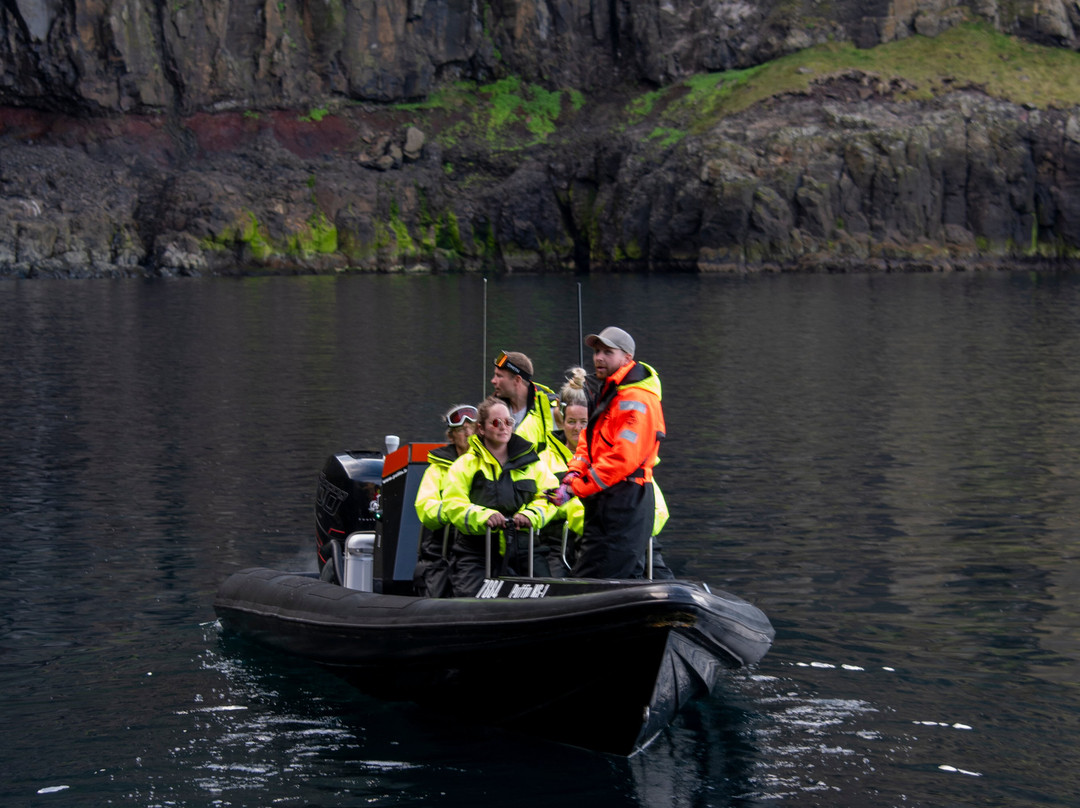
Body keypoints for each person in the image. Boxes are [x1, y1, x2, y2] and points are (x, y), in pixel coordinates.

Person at [548, 327, 666, 579]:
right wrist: (572, 475)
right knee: (602, 572)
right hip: (605, 500)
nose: (598, 357)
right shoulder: (609, 393)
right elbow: (588, 445)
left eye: (607, 352)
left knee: (598, 575)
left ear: (626, 358)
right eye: (596, 351)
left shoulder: (637, 398)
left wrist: (575, 488)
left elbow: (623, 458)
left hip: (625, 499)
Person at [442, 396, 558, 596]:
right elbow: (453, 504)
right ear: (481, 428)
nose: (504, 427)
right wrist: (483, 516)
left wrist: (531, 514)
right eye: (496, 423)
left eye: (509, 422)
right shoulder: (464, 465)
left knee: (548, 600)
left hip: (524, 549)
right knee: (470, 603)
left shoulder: (532, 462)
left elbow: (550, 495)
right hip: (477, 552)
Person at [412, 404, 478, 598]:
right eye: (460, 430)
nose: (468, 433)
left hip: (477, 550)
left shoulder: (489, 462)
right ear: (451, 436)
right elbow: (425, 507)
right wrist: (456, 511)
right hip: (442, 551)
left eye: (471, 427)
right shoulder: (437, 469)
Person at [490, 350, 559, 454]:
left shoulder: (551, 408)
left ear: (517, 380)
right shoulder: (492, 408)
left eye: (499, 376)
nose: (493, 381)